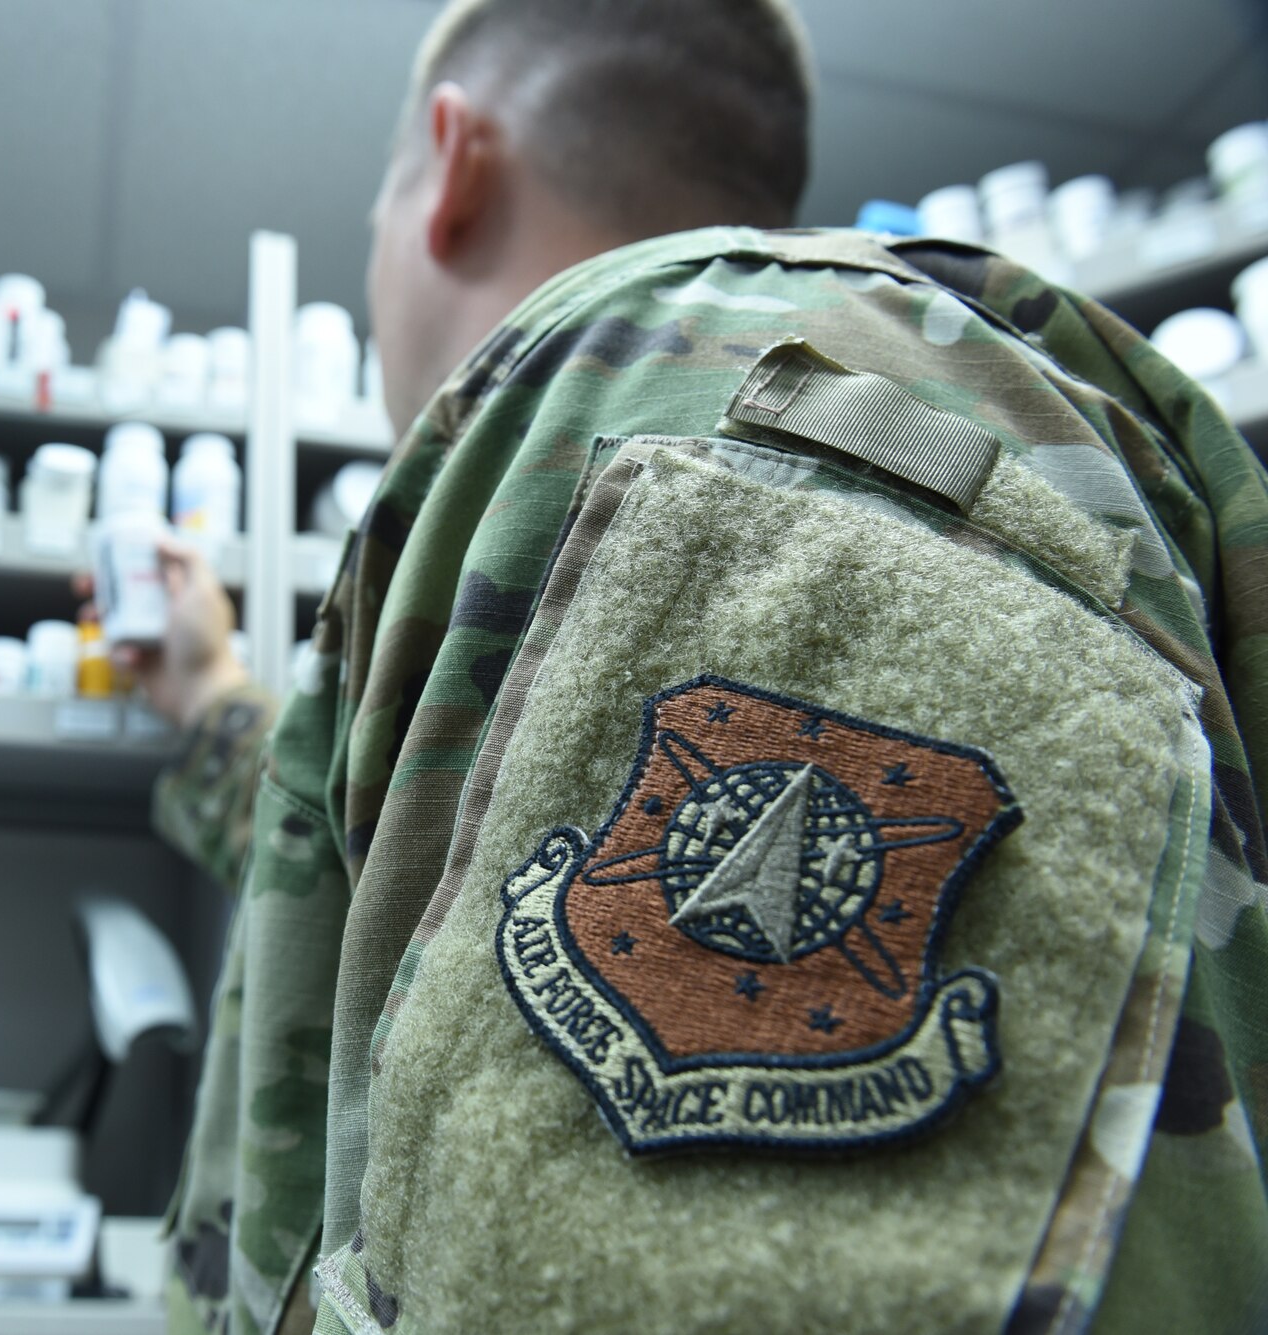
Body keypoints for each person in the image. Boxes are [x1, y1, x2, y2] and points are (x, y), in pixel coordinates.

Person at [111, 1, 1268, 1331]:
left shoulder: (700, 427)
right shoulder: (637, 438)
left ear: (452, 162)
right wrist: (208, 702)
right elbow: (442, 889)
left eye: (378, 200)